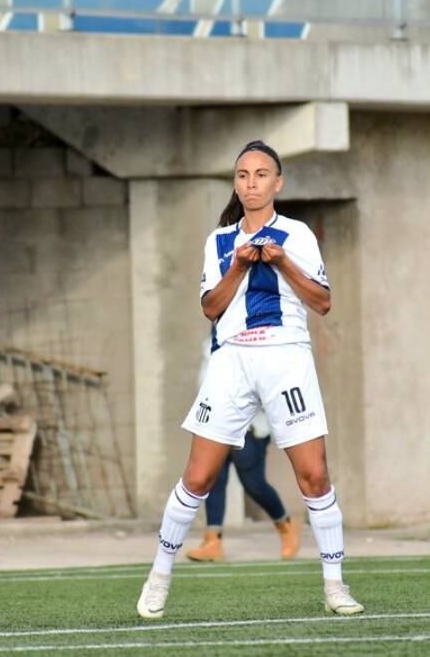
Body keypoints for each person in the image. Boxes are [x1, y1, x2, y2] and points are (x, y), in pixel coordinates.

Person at [136, 139, 364, 619]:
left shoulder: (297, 234)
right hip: (233, 361)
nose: (251, 183)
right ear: (236, 184)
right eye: (243, 175)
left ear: (277, 183)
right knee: (198, 477)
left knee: (314, 475)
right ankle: (158, 576)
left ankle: (334, 585)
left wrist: (282, 261)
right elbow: (210, 308)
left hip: (286, 360)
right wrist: (239, 265)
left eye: (261, 175)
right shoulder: (219, 241)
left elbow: (322, 302)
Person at [185, 409, 301, 562]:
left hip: (250, 427)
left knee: (254, 484)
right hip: (217, 426)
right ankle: (213, 541)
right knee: (213, 480)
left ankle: (286, 526)